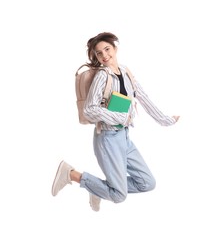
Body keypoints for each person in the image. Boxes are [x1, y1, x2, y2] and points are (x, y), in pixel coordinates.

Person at [51, 32, 180, 211]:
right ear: (95, 56)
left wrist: (165, 120)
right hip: (107, 138)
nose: (104, 55)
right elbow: (90, 109)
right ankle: (70, 174)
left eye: (107, 49)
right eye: (98, 53)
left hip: (124, 137)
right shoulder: (102, 76)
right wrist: (120, 117)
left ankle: (97, 189)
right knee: (119, 195)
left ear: (115, 48)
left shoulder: (125, 72)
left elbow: (142, 96)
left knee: (147, 183)